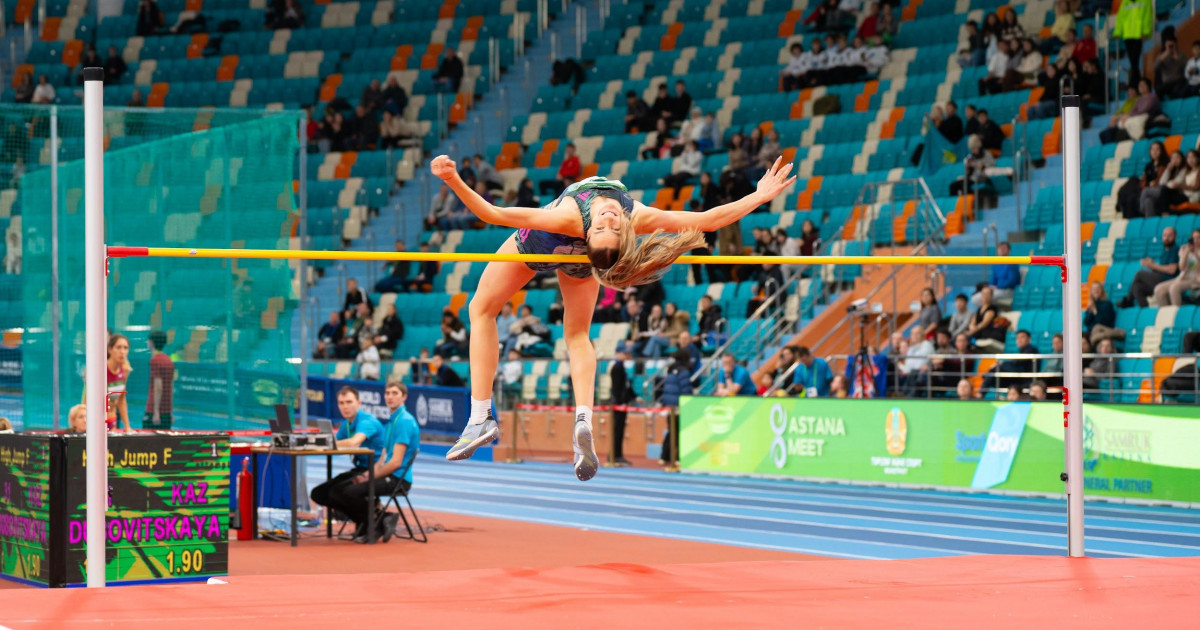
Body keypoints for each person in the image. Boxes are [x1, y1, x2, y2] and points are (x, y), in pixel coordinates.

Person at [430, 152, 795, 481]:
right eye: (609, 227)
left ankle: (484, 418)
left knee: (482, 310)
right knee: (573, 335)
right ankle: (578, 418)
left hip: (550, 245)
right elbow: (708, 221)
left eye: (607, 227)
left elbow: (494, 214)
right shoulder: (633, 215)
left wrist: (452, 179)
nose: (607, 220)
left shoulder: (574, 218)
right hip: (567, 251)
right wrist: (758, 196)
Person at [310, 386, 388, 543]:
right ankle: (365, 519)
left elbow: (354, 442)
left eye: (349, 402)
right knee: (319, 493)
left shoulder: (367, 421)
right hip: (359, 469)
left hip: (376, 469)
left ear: (358, 403)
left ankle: (375, 519)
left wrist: (327, 442)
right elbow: (335, 445)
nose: (345, 406)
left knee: (338, 491)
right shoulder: (346, 425)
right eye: (341, 403)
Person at [372, 381, 420, 541]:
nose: (390, 397)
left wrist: (372, 476)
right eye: (387, 393)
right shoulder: (392, 421)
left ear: (404, 397)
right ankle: (380, 518)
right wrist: (369, 473)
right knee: (353, 483)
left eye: (394, 393)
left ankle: (376, 522)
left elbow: (396, 462)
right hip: (391, 474)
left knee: (354, 489)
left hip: (398, 479)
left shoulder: (404, 421)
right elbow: (384, 457)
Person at [1119, 226, 1179, 307]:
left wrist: (1153, 265)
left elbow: (1172, 270)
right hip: (1160, 279)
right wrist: (1152, 265)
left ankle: (1129, 300)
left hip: (1168, 280)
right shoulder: (1164, 251)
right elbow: (1161, 268)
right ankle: (1144, 311)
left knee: (1139, 274)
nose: (1167, 238)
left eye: (1169, 235)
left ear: (1175, 237)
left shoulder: (1175, 249)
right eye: (1164, 235)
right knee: (1137, 287)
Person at [84, 334, 132, 432]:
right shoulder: (100, 369)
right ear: (110, 350)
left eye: (125, 348)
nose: (122, 352)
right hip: (96, 422)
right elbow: (87, 400)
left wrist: (127, 427)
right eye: (118, 347)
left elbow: (121, 400)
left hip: (112, 420)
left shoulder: (125, 369)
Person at [659, 349, 694, 468]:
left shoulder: (670, 370)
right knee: (679, 432)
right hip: (679, 406)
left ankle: (664, 457)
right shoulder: (683, 371)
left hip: (669, 406)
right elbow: (685, 389)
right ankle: (678, 458)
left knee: (671, 431)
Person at [1152, 229, 1200, 306]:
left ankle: (1176, 315)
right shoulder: (1185, 249)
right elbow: (1181, 268)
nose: (1196, 240)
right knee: (1158, 289)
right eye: (1194, 238)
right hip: (1183, 277)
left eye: (1198, 238)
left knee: (1174, 288)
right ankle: (1166, 314)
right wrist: (1186, 253)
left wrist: (1196, 255)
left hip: (1196, 279)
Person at [1112, 0, 1153, 88]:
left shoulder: (1145, 1)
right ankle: (1136, 83)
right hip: (1128, 34)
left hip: (1138, 34)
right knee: (1133, 61)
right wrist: (1117, 32)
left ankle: (1134, 84)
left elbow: (1148, 16)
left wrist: (1145, 31)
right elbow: (1120, 17)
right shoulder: (1125, 2)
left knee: (1135, 60)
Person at [608, 349, 635, 466]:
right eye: (623, 353)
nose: (625, 356)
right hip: (619, 404)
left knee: (619, 431)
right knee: (617, 430)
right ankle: (614, 456)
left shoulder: (621, 367)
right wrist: (622, 401)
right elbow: (617, 388)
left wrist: (633, 397)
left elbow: (626, 386)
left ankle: (617, 455)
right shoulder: (617, 368)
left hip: (621, 403)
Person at [144, 331, 174, 430]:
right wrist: (170, 412)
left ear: (152, 343)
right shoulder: (169, 360)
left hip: (153, 410)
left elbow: (158, 387)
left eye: (148, 341)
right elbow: (170, 387)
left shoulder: (155, 361)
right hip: (166, 411)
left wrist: (156, 412)